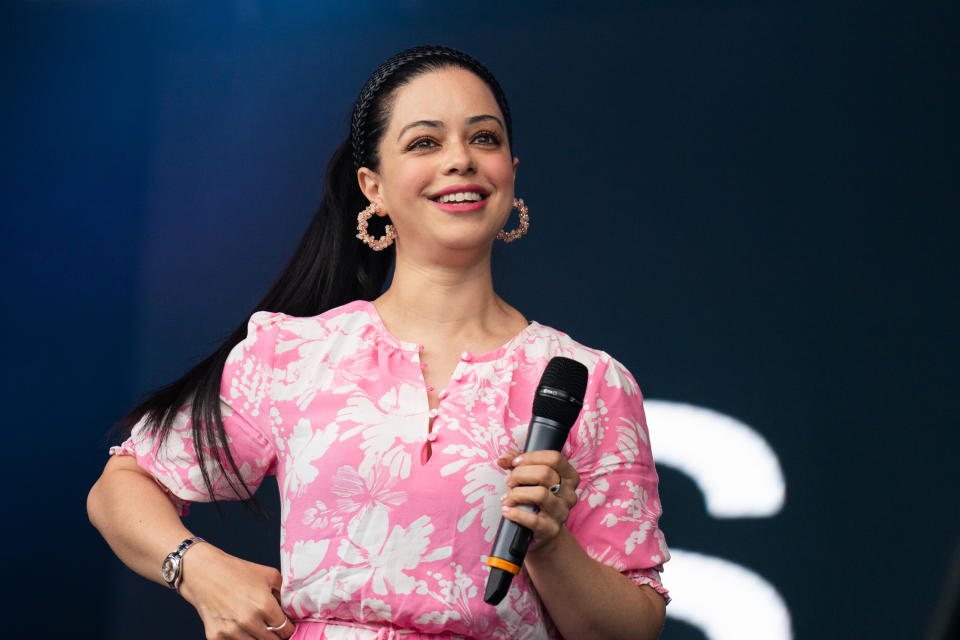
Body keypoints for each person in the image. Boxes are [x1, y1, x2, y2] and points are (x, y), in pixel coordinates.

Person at [88, 45, 670, 640]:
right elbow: (121, 488)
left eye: (485, 139)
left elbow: (633, 627)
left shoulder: (588, 380)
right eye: (425, 143)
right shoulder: (297, 355)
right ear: (374, 188)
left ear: (512, 172)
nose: (461, 161)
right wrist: (201, 572)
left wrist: (549, 542)